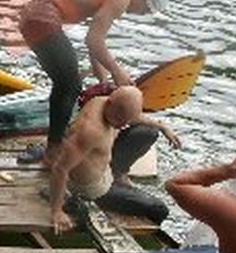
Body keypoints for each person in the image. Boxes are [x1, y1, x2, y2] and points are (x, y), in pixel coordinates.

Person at [19, 0, 170, 153]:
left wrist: (102, 80)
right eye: (144, 10)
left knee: (66, 84)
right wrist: (117, 72)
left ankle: (55, 142)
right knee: (70, 86)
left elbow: (93, 42)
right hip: (42, 17)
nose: (140, 14)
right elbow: (94, 40)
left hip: (34, 15)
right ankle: (54, 150)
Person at [47, 86, 179, 232]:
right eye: (119, 120)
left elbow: (134, 117)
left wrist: (162, 126)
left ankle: (119, 175)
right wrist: (57, 211)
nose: (122, 125)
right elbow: (60, 168)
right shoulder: (89, 130)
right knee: (159, 209)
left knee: (148, 132)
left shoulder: (105, 104)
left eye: (125, 120)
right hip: (93, 189)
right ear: (110, 104)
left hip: (105, 167)